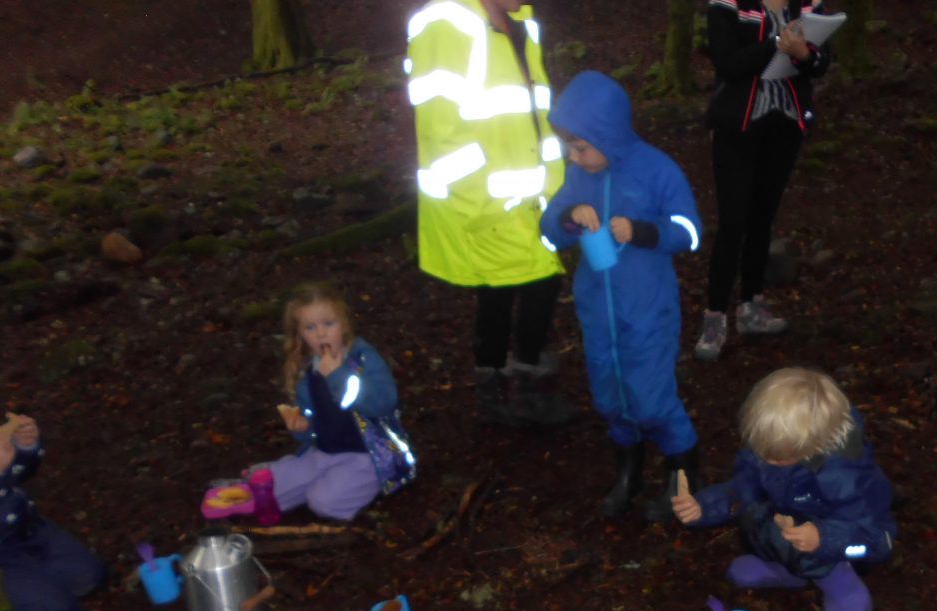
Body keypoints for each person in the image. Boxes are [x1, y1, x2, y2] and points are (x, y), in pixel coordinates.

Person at [540, 71, 703, 519]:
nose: (573, 156)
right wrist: (570, 216)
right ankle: (629, 472)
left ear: (607, 135)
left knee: (651, 396)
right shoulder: (578, 177)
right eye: (569, 148)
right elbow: (549, 233)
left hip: (647, 308)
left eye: (580, 147)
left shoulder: (656, 170)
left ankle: (682, 474)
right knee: (609, 394)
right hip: (597, 309)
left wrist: (642, 231)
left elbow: (689, 231)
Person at [405, 0, 573, 427]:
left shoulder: (521, 22)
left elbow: (533, 114)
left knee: (539, 283)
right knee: (506, 290)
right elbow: (442, 134)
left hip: (530, 197)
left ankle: (520, 380)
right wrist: (483, 207)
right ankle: (500, 387)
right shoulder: (447, 24)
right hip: (486, 205)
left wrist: (554, 190)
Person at [671, 367, 895, 611]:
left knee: (804, 537)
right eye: (759, 449)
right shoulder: (770, 448)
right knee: (755, 512)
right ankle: (788, 571)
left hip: (845, 540)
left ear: (813, 445)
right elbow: (743, 488)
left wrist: (822, 538)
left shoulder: (842, 478)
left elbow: (874, 541)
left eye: (777, 456)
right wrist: (703, 507)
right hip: (791, 517)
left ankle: (845, 590)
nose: (765, 459)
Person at [694, 0, 832, 362]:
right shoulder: (727, 5)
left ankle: (752, 304)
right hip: (737, 127)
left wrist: (804, 54)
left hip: (784, 125)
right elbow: (727, 63)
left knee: (762, 218)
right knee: (732, 222)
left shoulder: (808, 5)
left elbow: (821, 63)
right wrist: (775, 44)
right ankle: (715, 315)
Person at [246, 283, 416, 522]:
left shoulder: (363, 359)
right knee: (271, 491)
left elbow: (382, 403)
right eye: (310, 328)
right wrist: (302, 427)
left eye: (328, 324)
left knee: (323, 502)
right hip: (325, 452)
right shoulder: (308, 372)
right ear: (300, 335)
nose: (321, 334)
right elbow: (313, 422)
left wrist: (337, 375)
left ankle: (351, 485)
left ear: (343, 324)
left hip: (368, 455)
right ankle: (316, 480)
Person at [0, 412, 107, 611]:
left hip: (27, 530)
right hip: (3, 557)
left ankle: (42, 585)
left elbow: (16, 471)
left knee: (89, 576)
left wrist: (24, 446)